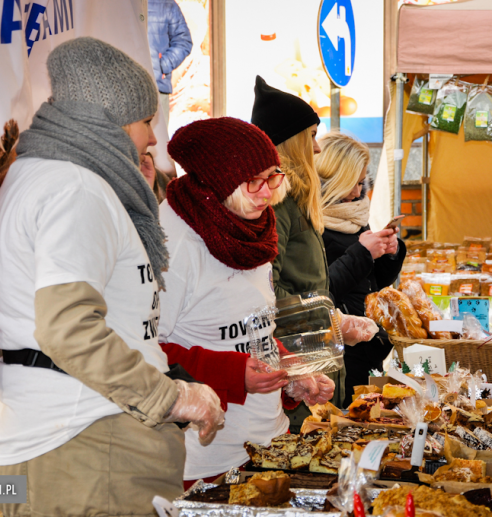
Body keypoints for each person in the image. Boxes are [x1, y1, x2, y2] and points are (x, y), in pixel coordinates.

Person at [0, 38, 223, 516]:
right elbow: (69, 329)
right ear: (108, 122)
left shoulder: (44, 175)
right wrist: (171, 396)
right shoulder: (75, 188)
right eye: (145, 122)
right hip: (88, 449)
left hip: (76, 444)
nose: (152, 139)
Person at [157, 117, 335, 488]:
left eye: (273, 176)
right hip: (204, 460)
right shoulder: (175, 243)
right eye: (254, 180)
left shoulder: (253, 227)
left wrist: (290, 373)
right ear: (218, 181)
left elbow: (255, 328)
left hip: (269, 445)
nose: (268, 193)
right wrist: (234, 373)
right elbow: (144, 353)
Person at [250, 76, 378, 429]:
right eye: (310, 136)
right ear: (290, 142)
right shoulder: (278, 202)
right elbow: (266, 289)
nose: (318, 149)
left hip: (315, 359)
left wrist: (331, 323)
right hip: (295, 363)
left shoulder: (297, 199)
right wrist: (329, 321)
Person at [315, 132, 405, 406]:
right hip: (337, 353)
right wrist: (362, 253)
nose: (358, 192)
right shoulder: (313, 226)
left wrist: (389, 254)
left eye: (362, 182)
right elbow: (320, 292)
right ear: (334, 180)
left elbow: (372, 284)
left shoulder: (353, 215)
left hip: (367, 345)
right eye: (352, 183)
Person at [148, 0, 193, 124]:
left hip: (157, 86)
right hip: (122, 87)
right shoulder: (120, 5)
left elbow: (183, 41)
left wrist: (162, 66)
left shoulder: (166, 4)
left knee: (157, 140)